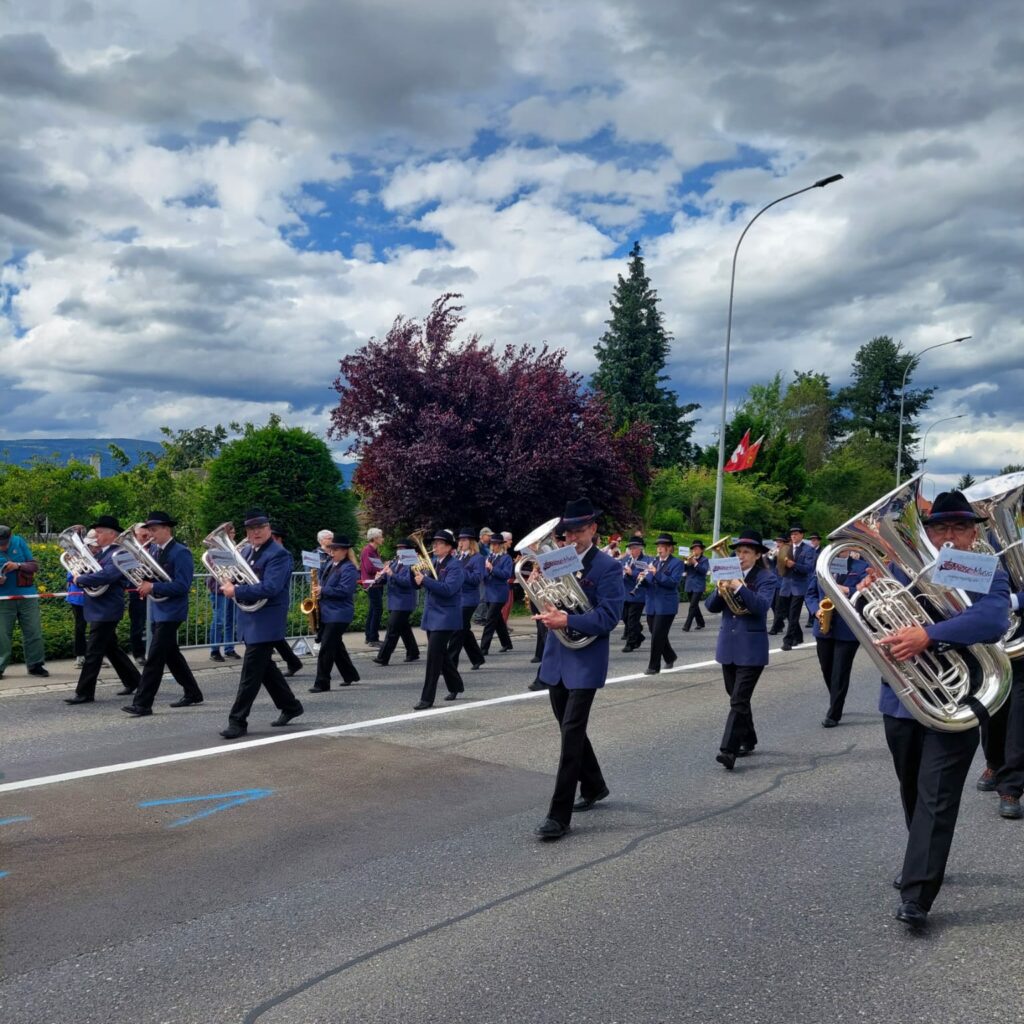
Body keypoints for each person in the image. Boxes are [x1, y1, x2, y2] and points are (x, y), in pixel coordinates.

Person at [863, 491, 1010, 927]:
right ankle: (919, 859)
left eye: (959, 527)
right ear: (926, 532)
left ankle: (918, 894)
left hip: (959, 699)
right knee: (912, 790)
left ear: (972, 533)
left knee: (937, 797)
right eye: (940, 527)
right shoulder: (897, 568)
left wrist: (928, 635)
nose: (949, 536)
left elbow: (992, 620)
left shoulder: (985, 570)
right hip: (903, 699)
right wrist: (864, 596)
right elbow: (871, 624)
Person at [532, 498, 625, 840]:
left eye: (579, 531)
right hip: (558, 657)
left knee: (571, 735)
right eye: (567, 532)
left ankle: (558, 815)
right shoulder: (557, 562)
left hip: (586, 660)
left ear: (593, 529)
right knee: (568, 728)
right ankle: (595, 786)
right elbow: (548, 602)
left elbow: (609, 617)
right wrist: (539, 593)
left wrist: (568, 618)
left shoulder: (607, 568)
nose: (572, 538)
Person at [218, 510, 304, 738]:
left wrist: (236, 590)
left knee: (250, 673)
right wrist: (223, 580)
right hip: (250, 618)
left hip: (267, 620)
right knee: (265, 669)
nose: (255, 532)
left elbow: (271, 588)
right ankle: (291, 706)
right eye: (251, 529)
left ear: (268, 528)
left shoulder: (279, 554)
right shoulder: (246, 550)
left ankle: (237, 721)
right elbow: (235, 577)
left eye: (260, 528)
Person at [705, 529, 778, 769]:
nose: (741, 556)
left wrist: (739, 587)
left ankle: (728, 750)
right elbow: (711, 607)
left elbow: (761, 606)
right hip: (728, 646)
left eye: (746, 552)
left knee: (738, 700)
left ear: (757, 555)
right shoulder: (726, 572)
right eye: (738, 551)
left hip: (752, 648)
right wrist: (719, 589)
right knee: (736, 697)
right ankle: (749, 737)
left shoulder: (767, 577)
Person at [122, 512, 204, 716]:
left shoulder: (180, 552)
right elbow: (152, 579)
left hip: (172, 612)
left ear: (167, 529)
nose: (150, 534)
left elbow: (182, 586)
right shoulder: (155, 551)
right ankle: (193, 692)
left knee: (155, 658)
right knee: (171, 655)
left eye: (154, 530)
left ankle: (143, 703)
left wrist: (153, 587)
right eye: (149, 530)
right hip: (159, 611)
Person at [65, 516, 141, 704]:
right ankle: (134, 680)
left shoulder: (121, 553)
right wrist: (78, 570)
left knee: (93, 652)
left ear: (112, 534)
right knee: (111, 648)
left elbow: (107, 575)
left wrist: (80, 580)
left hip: (107, 610)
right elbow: (91, 572)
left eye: (99, 532)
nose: (95, 535)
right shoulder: (100, 554)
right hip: (97, 607)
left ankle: (84, 692)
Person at [804, 548, 866, 728]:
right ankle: (835, 698)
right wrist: (816, 611)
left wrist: (847, 589)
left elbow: (867, 593)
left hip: (848, 627)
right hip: (823, 625)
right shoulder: (823, 566)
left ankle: (834, 712)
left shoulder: (861, 567)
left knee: (840, 671)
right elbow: (810, 594)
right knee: (827, 668)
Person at [412, 530, 465, 710]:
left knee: (433, 658)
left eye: (439, 543)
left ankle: (427, 698)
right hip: (432, 615)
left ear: (449, 547)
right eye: (434, 543)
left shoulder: (455, 566)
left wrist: (425, 580)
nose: (434, 546)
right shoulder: (433, 562)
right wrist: (416, 577)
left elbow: (448, 589)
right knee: (441, 655)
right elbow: (420, 582)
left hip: (446, 617)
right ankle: (456, 685)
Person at [311, 534, 360, 691]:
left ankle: (322, 682)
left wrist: (323, 590)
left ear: (345, 551)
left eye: (335, 549)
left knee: (326, 647)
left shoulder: (349, 568)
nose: (331, 551)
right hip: (328, 612)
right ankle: (350, 675)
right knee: (336, 646)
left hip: (339, 613)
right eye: (331, 548)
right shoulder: (330, 564)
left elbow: (346, 591)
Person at [0, 524, 48, 679]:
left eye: (4, 543)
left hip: (27, 596)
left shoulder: (19, 542)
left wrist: (17, 565)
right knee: (2, 635)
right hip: (3, 599)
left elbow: (34, 565)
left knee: (33, 632)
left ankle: (36, 665)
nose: (3, 546)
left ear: (10, 537)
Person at [993, 587, 1024, 819]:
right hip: (989, 621)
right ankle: (994, 763)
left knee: (1020, 708)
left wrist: (1013, 600)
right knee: (993, 699)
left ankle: (1011, 784)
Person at [638, 533, 683, 675]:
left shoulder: (677, 563)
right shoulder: (654, 562)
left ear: (670, 548)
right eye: (658, 546)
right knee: (656, 632)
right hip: (651, 604)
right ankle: (670, 656)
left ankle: (653, 666)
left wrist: (656, 573)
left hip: (666, 605)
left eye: (662, 547)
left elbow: (673, 583)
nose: (659, 549)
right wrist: (643, 579)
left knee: (657, 635)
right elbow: (650, 582)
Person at [373, 539, 421, 666]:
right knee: (404, 628)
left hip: (404, 602)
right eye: (398, 549)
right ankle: (413, 652)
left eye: (403, 549)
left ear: (409, 551)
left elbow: (408, 583)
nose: (399, 551)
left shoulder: (412, 564)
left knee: (392, 629)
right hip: (393, 601)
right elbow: (387, 579)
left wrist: (392, 574)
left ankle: (383, 657)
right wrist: (380, 578)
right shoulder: (394, 562)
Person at [447, 528, 486, 671]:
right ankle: (477, 657)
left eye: (464, 540)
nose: (460, 543)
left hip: (469, 599)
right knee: (465, 629)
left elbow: (477, 579)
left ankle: (450, 666)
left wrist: (460, 570)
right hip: (457, 598)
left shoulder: (478, 558)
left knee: (457, 631)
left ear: (471, 542)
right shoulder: (458, 558)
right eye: (460, 540)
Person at [269, 524, 303, 676]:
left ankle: (291, 662)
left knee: (273, 635)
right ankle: (293, 662)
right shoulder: (270, 553)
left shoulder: (284, 554)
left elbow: (279, 578)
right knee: (273, 636)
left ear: (276, 538)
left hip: (278, 599)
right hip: (268, 599)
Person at [207, 521, 239, 663]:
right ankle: (214, 650)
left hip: (232, 588)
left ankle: (229, 649)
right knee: (219, 620)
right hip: (218, 589)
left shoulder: (235, 548)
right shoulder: (214, 550)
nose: (233, 535)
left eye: (232, 533)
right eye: (230, 533)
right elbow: (215, 567)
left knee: (230, 620)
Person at [781, 524, 816, 650]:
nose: (793, 536)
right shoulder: (786, 548)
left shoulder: (808, 550)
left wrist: (794, 565)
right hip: (786, 585)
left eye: (796, 534)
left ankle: (788, 641)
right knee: (787, 614)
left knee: (794, 614)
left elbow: (808, 568)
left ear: (802, 535)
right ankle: (798, 636)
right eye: (792, 534)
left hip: (800, 586)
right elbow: (778, 567)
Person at [480, 533, 514, 656]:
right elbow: (485, 573)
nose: (493, 546)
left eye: (495, 544)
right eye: (491, 544)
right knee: (497, 620)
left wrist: (492, 568)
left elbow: (506, 574)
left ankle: (483, 648)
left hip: (499, 593)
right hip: (489, 592)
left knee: (490, 620)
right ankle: (507, 643)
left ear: (500, 545)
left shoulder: (506, 558)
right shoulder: (489, 556)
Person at [619, 535, 650, 652]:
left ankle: (630, 643)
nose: (631, 550)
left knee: (631, 621)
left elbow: (645, 575)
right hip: (625, 593)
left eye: (634, 548)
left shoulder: (646, 561)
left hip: (638, 595)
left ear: (640, 548)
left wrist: (632, 573)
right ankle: (639, 635)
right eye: (630, 548)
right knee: (625, 618)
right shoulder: (626, 559)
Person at [360, 528, 386, 647]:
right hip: (371, 583)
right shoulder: (368, 551)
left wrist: (383, 566)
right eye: (381, 536)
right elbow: (370, 568)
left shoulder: (374, 550)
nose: (382, 539)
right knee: (377, 610)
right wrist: (383, 568)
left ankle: (369, 636)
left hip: (376, 583)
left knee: (373, 610)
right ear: (375, 538)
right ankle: (373, 638)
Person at [681, 540, 709, 632]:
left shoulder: (705, 560)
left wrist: (695, 563)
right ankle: (701, 622)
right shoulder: (689, 558)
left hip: (699, 585)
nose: (695, 550)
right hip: (689, 585)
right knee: (695, 605)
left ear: (701, 550)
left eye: (697, 548)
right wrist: (685, 563)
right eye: (693, 549)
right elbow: (683, 570)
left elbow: (704, 571)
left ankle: (686, 626)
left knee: (692, 606)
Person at [768, 535, 789, 635]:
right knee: (772, 604)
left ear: (784, 543)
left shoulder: (788, 552)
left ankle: (774, 628)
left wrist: (780, 557)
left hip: (782, 583)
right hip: (773, 582)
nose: (778, 544)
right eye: (777, 542)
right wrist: (768, 556)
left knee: (778, 607)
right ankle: (780, 624)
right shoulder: (774, 551)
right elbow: (768, 564)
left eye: (780, 542)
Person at [473, 527, 493, 625]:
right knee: (482, 595)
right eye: (488, 535)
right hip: (481, 572)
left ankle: (484, 616)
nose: (490, 537)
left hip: (487, 573)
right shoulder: (477, 546)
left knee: (486, 595)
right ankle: (478, 617)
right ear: (482, 536)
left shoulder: (488, 546)